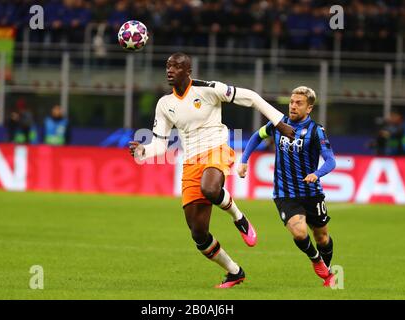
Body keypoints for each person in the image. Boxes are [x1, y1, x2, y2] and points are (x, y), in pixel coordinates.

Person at [129, 52, 295, 288]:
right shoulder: (164, 104)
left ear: (188, 71)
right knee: (198, 233)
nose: (170, 70)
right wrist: (143, 151)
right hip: (190, 162)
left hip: (216, 149)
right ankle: (234, 272)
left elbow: (252, 97)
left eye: (176, 66)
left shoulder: (208, 90)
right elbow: (160, 144)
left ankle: (239, 218)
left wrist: (279, 122)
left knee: (210, 188)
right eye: (168, 66)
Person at [237, 86, 336, 287]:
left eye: (299, 103)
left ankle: (327, 271)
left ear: (309, 108)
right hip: (285, 193)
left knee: (322, 237)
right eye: (291, 102)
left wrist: (316, 174)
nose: (293, 106)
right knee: (299, 232)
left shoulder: (316, 131)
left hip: (312, 194)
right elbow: (257, 136)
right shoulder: (278, 123)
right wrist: (244, 160)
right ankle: (316, 261)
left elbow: (330, 161)